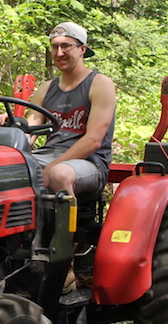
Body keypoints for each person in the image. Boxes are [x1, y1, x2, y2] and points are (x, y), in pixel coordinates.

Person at [22, 22, 117, 199]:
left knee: (59, 175)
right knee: (4, 169)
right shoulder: (46, 88)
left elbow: (93, 140)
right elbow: (30, 131)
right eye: (55, 47)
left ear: (82, 49)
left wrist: (51, 167)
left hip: (89, 161)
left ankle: (67, 226)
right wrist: (11, 133)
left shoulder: (99, 84)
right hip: (47, 155)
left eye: (66, 46)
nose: (59, 53)